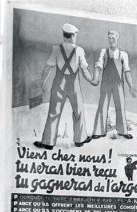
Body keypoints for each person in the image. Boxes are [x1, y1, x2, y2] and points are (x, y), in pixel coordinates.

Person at [34, 23, 96, 151]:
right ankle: (80, 140)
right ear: (72, 35)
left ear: (64, 35)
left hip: (59, 83)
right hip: (74, 84)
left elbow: (48, 67)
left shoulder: (56, 49)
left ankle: (48, 142)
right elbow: (84, 70)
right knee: (78, 111)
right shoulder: (79, 50)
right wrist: (92, 80)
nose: (76, 37)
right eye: (75, 35)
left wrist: (42, 80)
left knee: (53, 112)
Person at [91, 30, 137, 140]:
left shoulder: (123, 54)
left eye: (113, 38)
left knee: (120, 106)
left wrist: (130, 86)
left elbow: (127, 71)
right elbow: (99, 66)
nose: (111, 40)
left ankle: (122, 131)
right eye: (109, 38)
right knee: (102, 105)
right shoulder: (104, 52)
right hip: (106, 83)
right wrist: (96, 78)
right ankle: (98, 131)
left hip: (118, 84)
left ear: (118, 38)